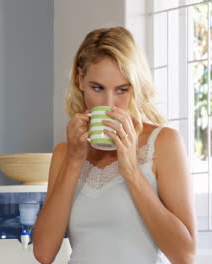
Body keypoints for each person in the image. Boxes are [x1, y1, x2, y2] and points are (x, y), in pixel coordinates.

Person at [33, 26, 196, 264]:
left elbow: (184, 255)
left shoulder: (164, 143)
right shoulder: (64, 153)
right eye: (97, 88)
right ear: (80, 80)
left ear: (135, 86)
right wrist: (74, 161)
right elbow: (44, 253)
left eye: (122, 90)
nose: (109, 104)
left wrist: (130, 170)